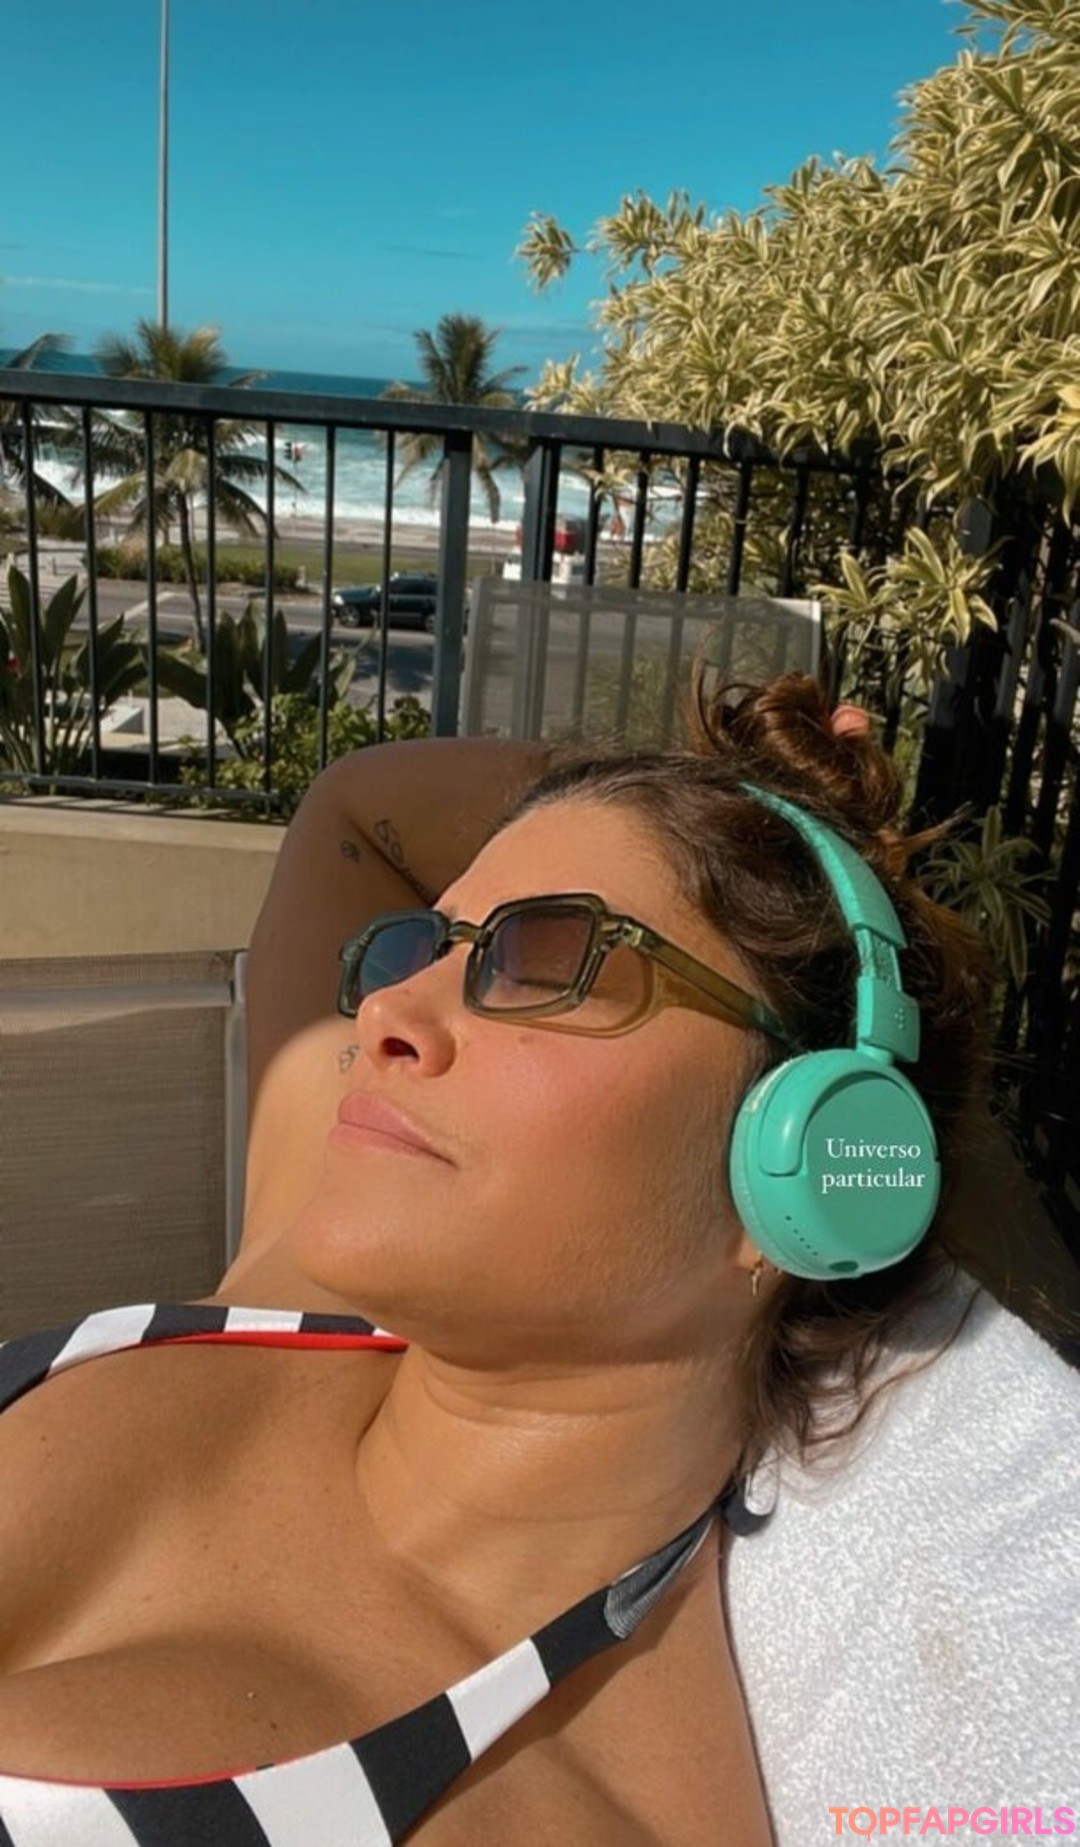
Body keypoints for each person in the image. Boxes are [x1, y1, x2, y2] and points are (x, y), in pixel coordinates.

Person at [0, 674, 1074, 1845]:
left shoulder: (570, 1812)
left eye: (543, 956)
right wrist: (745, 787)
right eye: (427, 944)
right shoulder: (297, 1271)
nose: (386, 1012)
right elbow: (356, 812)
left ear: (804, 1161)